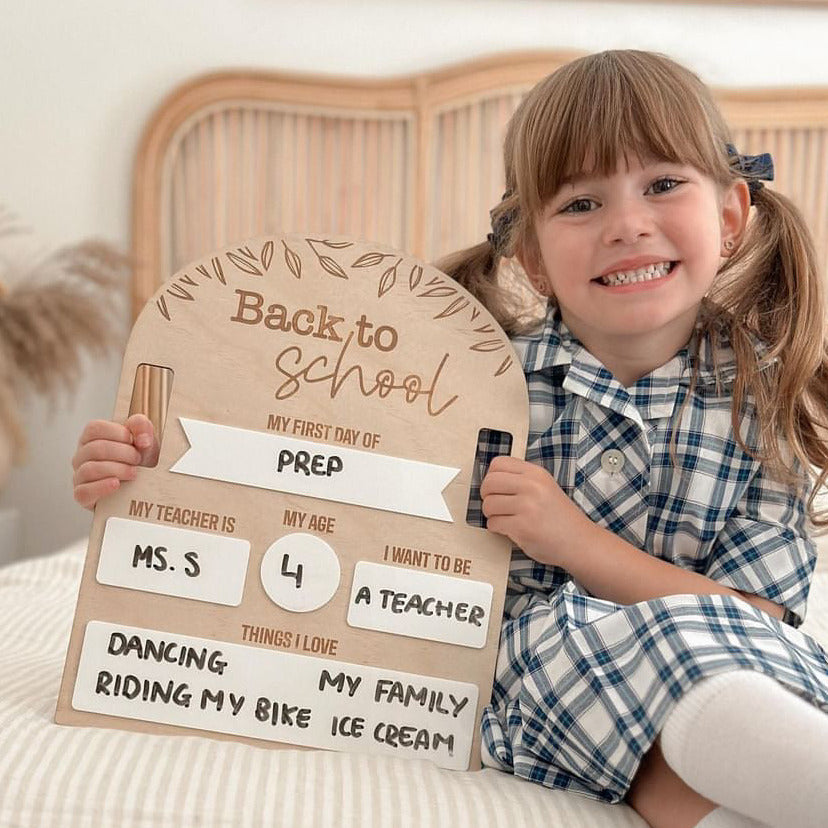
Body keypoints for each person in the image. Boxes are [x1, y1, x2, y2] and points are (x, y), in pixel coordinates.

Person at [72, 49, 828, 828]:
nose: (628, 226)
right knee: (639, 720)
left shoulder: (766, 401)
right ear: (531, 257)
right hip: (546, 667)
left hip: (728, 664)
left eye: (663, 185)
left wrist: (572, 540)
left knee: (699, 732)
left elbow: (753, 620)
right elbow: (324, 494)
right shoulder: (471, 390)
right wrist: (154, 478)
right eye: (580, 205)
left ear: (732, 217)